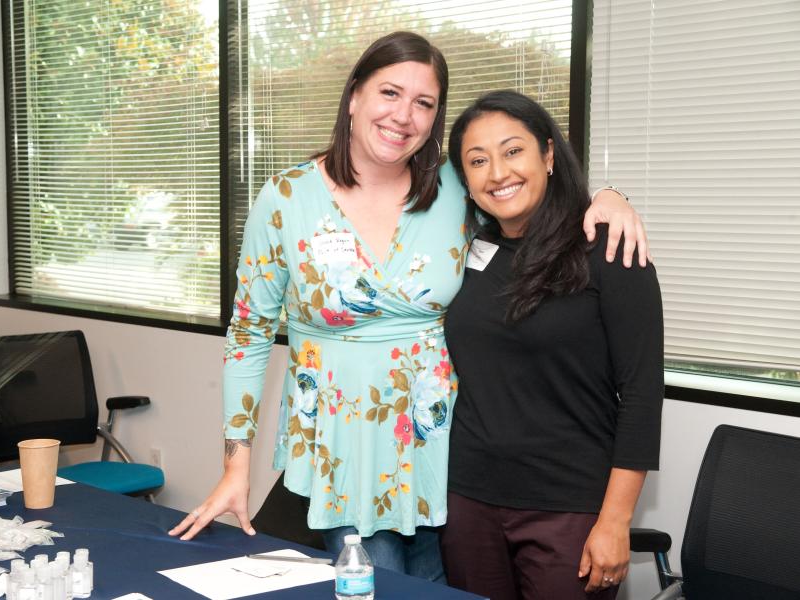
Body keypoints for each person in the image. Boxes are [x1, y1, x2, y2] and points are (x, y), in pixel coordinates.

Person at [169, 32, 648, 582]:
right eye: (390, 93)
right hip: (340, 448)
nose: (404, 115)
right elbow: (249, 333)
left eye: (424, 103)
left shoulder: (453, 188)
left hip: (447, 450)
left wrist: (611, 197)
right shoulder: (286, 199)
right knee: (376, 584)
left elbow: (530, 192)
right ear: (354, 96)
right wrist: (237, 466)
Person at [441, 89, 664, 599]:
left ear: (547, 154)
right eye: (478, 161)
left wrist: (615, 522)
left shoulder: (609, 249)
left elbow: (643, 396)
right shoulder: (465, 250)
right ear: (465, 180)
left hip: (569, 508)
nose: (498, 173)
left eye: (512, 150)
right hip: (468, 502)